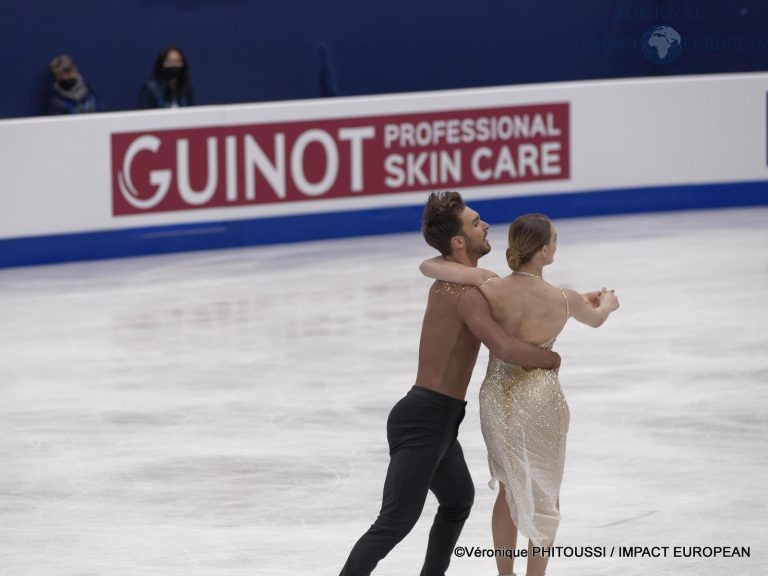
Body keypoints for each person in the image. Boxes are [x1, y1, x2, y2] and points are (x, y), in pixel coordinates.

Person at [339, 194, 561, 576]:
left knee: (458, 500)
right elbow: (505, 348)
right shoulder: (467, 295)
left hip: (439, 420)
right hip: (425, 419)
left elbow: (432, 265)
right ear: (458, 242)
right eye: (476, 223)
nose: (486, 225)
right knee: (395, 522)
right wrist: (551, 358)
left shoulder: (454, 280)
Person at [420, 213, 619, 576]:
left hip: (496, 391)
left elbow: (431, 267)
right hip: (539, 394)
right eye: (554, 240)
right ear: (543, 252)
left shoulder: (489, 287)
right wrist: (606, 303)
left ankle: (505, 574)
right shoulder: (564, 299)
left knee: (509, 486)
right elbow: (596, 318)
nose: (557, 245)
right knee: (545, 486)